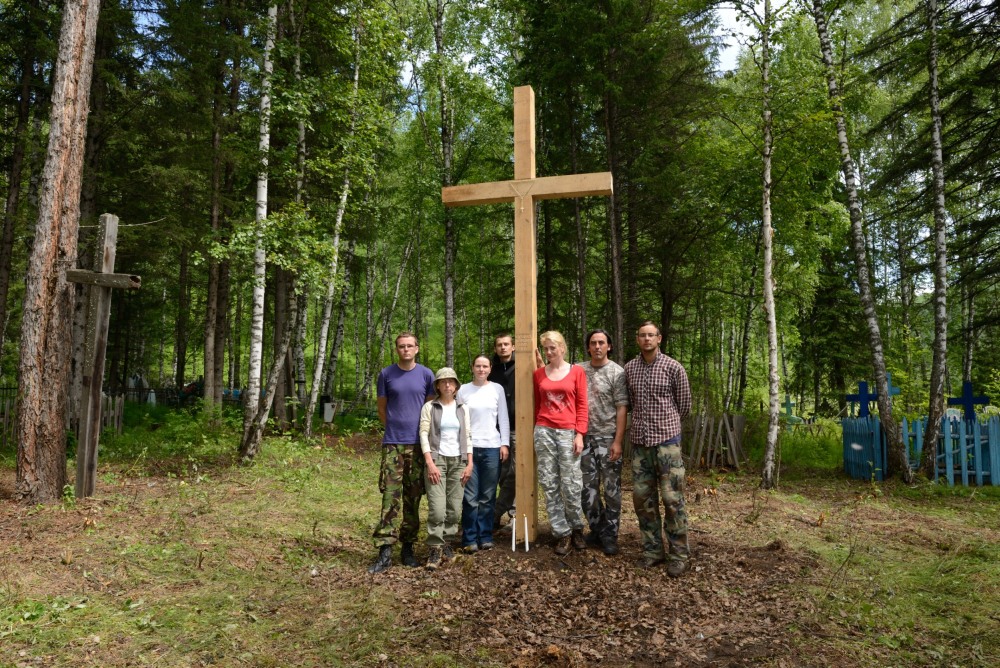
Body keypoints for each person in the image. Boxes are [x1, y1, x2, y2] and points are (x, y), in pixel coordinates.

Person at [623, 321, 693, 577]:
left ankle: (679, 555)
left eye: (651, 335)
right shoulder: (630, 369)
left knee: (673, 500)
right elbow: (628, 403)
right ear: (637, 339)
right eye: (642, 335)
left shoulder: (673, 367)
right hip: (641, 445)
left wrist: (668, 427)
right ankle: (652, 551)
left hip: (667, 445)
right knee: (643, 501)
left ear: (659, 338)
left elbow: (684, 405)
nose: (646, 339)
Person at [368, 332, 436, 574]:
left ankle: (407, 547)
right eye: (401, 346)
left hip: (419, 445)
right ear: (397, 349)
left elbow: (429, 410)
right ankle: (385, 551)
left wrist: (420, 436)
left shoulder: (427, 375)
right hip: (394, 444)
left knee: (413, 496)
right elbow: (382, 409)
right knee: (390, 497)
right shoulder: (386, 374)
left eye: (410, 346)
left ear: (417, 348)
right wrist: (395, 430)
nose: (406, 349)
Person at [533, 330, 589, 556]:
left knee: (572, 483)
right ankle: (562, 532)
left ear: (562, 348)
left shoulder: (577, 372)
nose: (549, 352)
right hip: (544, 430)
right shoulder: (539, 374)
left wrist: (580, 434)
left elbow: (583, 405)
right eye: (545, 348)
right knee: (549, 482)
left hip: (568, 432)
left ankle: (576, 528)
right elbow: (538, 405)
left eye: (552, 348)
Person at [578, 329, 629, 556]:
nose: (597, 346)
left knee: (611, 490)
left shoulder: (617, 372)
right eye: (593, 343)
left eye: (601, 343)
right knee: (586, 490)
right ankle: (597, 528)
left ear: (609, 346)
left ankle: (611, 534)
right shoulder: (578, 370)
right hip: (583, 437)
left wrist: (618, 441)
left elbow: (621, 408)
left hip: (608, 437)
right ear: (588, 347)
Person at [419, 367, 473, 570]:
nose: (447, 385)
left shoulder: (463, 408)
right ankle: (434, 547)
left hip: (459, 461)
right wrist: (430, 462)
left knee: (454, 508)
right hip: (437, 460)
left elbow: (468, 435)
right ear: (438, 386)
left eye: (451, 382)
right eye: (443, 382)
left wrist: (469, 462)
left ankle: (447, 543)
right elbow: (424, 434)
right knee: (437, 508)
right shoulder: (429, 407)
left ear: (456, 386)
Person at [457, 355, 510, 552]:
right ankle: (469, 538)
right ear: (472, 368)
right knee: (470, 497)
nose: (481, 369)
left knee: (488, 496)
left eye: (485, 366)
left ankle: (485, 535)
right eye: (477, 366)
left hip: (492, 447)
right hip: (470, 449)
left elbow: (503, 418)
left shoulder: (497, 389)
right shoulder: (462, 390)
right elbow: (459, 421)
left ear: (490, 369)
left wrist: (504, 443)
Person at [489, 334, 517, 529]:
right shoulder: (490, 370)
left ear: (513, 347)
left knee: (515, 472)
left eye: (506, 344)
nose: (503, 347)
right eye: (499, 345)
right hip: (495, 429)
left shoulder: (523, 366)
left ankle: (498, 512)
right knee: (502, 473)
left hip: (519, 427)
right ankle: (508, 511)